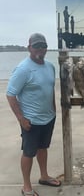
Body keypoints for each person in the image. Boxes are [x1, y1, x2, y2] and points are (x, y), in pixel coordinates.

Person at [6, 33, 61, 196]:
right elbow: (10, 94)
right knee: (29, 152)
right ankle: (26, 186)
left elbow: (49, 88)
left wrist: (53, 108)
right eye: (36, 46)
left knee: (43, 148)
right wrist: (21, 118)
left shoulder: (50, 66)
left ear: (46, 48)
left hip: (48, 117)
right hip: (31, 120)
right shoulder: (23, 69)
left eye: (43, 46)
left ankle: (44, 176)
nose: (40, 49)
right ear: (29, 47)